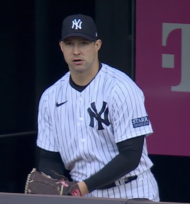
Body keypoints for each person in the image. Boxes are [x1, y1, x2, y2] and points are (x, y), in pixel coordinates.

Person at [36, 14, 160, 201]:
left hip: (132, 191)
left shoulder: (121, 88)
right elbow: (49, 157)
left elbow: (131, 155)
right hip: (81, 194)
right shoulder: (50, 97)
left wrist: (81, 188)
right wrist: (58, 187)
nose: (76, 51)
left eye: (83, 43)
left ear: (97, 45)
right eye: (70, 44)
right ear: (61, 47)